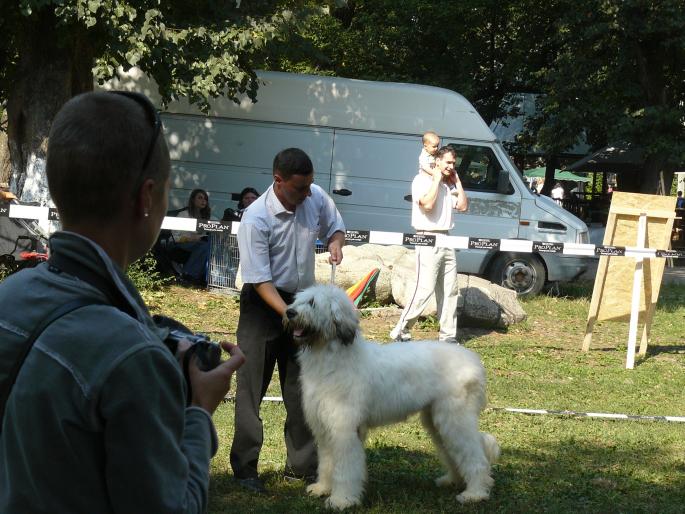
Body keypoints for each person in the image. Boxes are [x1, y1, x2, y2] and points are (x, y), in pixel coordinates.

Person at [0, 91, 245, 512]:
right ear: (147, 197)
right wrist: (200, 413)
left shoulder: (9, 298)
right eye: (169, 189)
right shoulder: (132, 356)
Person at [230, 147, 345, 493]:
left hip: (301, 300)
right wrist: (293, 315)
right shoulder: (255, 220)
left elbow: (336, 226)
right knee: (251, 388)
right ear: (278, 181)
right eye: (299, 188)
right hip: (263, 306)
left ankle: (302, 466)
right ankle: (246, 468)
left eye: (310, 186)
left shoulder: (314, 195)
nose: (307, 194)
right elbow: (261, 281)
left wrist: (336, 243)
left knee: (302, 389)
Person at [389, 146, 468, 344]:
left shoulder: (449, 184)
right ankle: (402, 329)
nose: (451, 166)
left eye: (453, 163)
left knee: (450, 289)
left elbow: (463, 206)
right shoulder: (421, 180)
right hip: (426, 237)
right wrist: (436, 179)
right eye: (448, 162)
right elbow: (427, 205)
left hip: (446, 238)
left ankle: (448, 335)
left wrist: (457, 181)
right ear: (437, 161)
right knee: (424, 289)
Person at [173, 188, 212, 283]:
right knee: (204, 246)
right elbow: (175, 236)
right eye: (200, 198)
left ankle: (204, 277)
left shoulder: (206, 217)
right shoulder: (183, 214)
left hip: (198, 243)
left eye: (205, 199)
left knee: (210, 245)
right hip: (180, 243)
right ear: (193, 200)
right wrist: (190, 238)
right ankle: (188, 274)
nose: (203, 201)